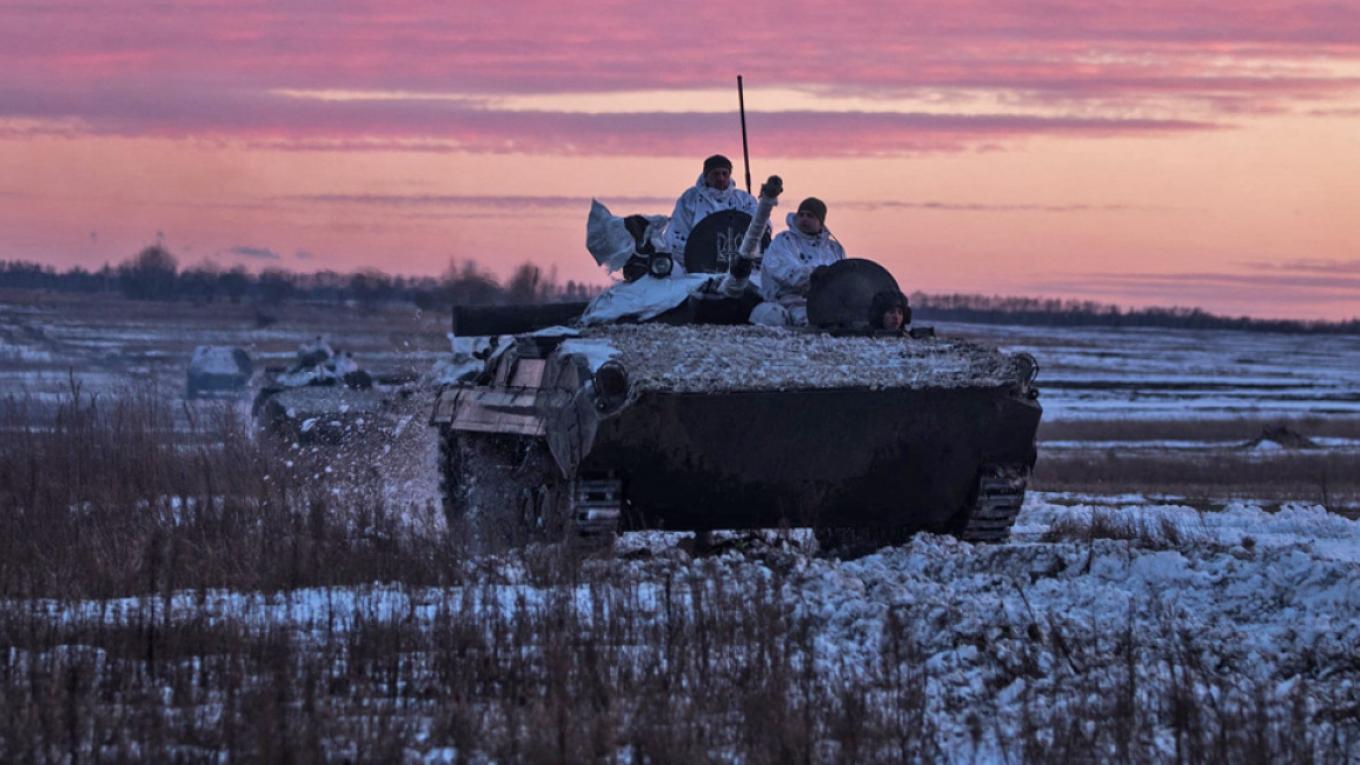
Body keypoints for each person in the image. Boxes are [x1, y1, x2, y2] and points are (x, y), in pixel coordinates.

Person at [750, 197, 846, 326]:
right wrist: (812, 275)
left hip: (822, 304)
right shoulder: (784, 241)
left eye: (810, 216)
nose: (804, 219)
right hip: (784, 302)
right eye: (801, 215)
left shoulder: (834, 249)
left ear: (821, 222)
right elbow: (782, 271)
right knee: (771, 316)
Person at [664, 154, 758, 266]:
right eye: (716, 174)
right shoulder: (690, 199)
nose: (721, 178)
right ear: (706, 175)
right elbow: (677, 232)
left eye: (724, 173)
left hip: (742, 265)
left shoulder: (745, 200)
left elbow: (760, 226)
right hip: (697, 266)